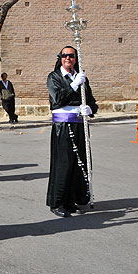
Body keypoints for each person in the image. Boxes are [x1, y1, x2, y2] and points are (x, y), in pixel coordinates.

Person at [46, 46, 98, 218]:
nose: (68, 58)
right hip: (63, 127)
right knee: (63, 164)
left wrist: (89, 109)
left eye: (71, 56)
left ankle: (73, 199)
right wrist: (74, 85)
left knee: (79, 163)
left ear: (76, 58)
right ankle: (57, 202)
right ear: (60, 58)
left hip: (80, 125)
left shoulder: (82, 78)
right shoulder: (54, 77)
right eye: (64, 55)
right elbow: (58, 100)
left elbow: (92, 102)